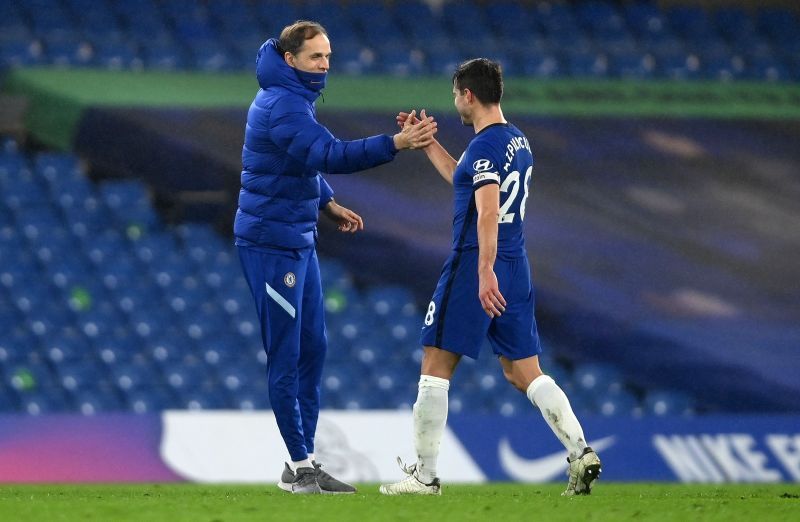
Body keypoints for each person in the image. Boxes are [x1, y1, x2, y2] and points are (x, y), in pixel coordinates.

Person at [379, 59, 601, 496]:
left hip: (476, 263)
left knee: (435, 364)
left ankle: (424, 477)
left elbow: (485, 209)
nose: (455, 104)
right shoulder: (516, 140)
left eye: (455, 96)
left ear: (468, 95)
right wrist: (428, 144)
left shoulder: (484, 149)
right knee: (524, 373)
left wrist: (482, 271)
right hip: (516, 265)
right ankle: (580, 452)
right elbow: (462, 178)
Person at [234, 20, 436, 495]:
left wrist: (325, 201)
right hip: (270, 242)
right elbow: (325, 152)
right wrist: (396, 144)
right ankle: (301, 468)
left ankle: (300, 462)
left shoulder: (292, 97)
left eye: (328, 57)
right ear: (290, 60)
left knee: (313, 348)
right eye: (315, 58)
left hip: (298, 238)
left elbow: (297, 161)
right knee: (286, 356)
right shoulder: (283, 104)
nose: (325, 66)